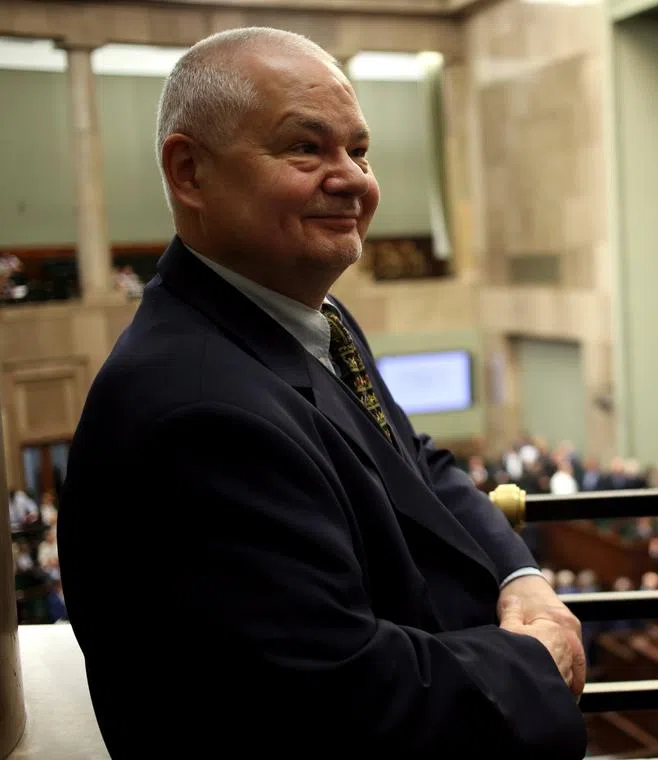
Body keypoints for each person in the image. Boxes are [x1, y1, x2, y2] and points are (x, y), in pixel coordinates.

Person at [57, 27, 587, 759]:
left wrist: (520, 576)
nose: (353, 180)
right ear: (190, 172)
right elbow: (338, 699)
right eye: (306, 148)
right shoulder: (197, 413)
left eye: (359, 151)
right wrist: (534, 661)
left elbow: (414, 461)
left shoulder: (309, 317)